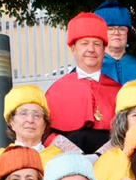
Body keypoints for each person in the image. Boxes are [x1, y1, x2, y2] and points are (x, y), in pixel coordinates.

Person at [48, 13, 120, 153]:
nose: (91, 49)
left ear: (104, 49)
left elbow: (128, 132)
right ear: (73, 48)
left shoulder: (119, 90)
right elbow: (45, 133)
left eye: (97, 44)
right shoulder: (56, 90)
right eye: (84, 43)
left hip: (111, 159)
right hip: (67, 159)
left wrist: (101, 154)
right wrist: (72, 152)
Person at [95, 0, 136, 88]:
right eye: (110, 29)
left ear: (128, 33)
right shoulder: (90, 68)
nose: (116, 33)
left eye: (122, 29)